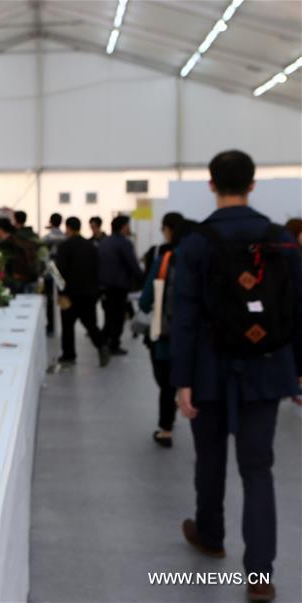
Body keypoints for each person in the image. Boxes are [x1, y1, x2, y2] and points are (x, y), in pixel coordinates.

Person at [170, 150, 302, 603]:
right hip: (267, 368)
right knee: (258, 468)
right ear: (252, 184)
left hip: (208, 369)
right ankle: (260, 573)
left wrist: (181, 380)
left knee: (210, 460)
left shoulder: (195, 242)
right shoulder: (281, 238)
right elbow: (297, 309)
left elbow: (182, 316)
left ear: (211, 184)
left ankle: (211, 534)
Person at [138, 212, 184, 448]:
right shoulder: (198, 261)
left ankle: (165, 429)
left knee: (165, 383)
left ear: (167, 230)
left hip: (164, 333)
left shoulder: (162, 259)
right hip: (192, 336)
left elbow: (145, 301)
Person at [55, 217, 110, 367]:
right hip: (88, 293)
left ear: (68, 228)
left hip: (69, 293)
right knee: (90, 324)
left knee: (67, 325)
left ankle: (69, 354)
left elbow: (60, 271)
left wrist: (61, 292)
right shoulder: (91, 246)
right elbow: (97, 269)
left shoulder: (64, 247)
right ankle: (102, 345)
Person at [98, 215, 143, 354]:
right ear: (123, 227)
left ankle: (103, 342)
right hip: (119, 286)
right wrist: (143, 280)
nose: (129, 228)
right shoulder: (124, 243)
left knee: (109, 316)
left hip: (105, 286)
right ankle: (113, 345)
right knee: (117, 317)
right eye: (127, 225)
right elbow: (132, 264)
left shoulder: (104, 242)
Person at [43, 213, 67, 336]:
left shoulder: (47, 238)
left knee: (50, 300)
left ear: (51, 222)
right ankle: (65, 325)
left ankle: (50, 327)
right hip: (63, 272)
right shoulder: (65, 237)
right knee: (63, 297)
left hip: (50, 271)